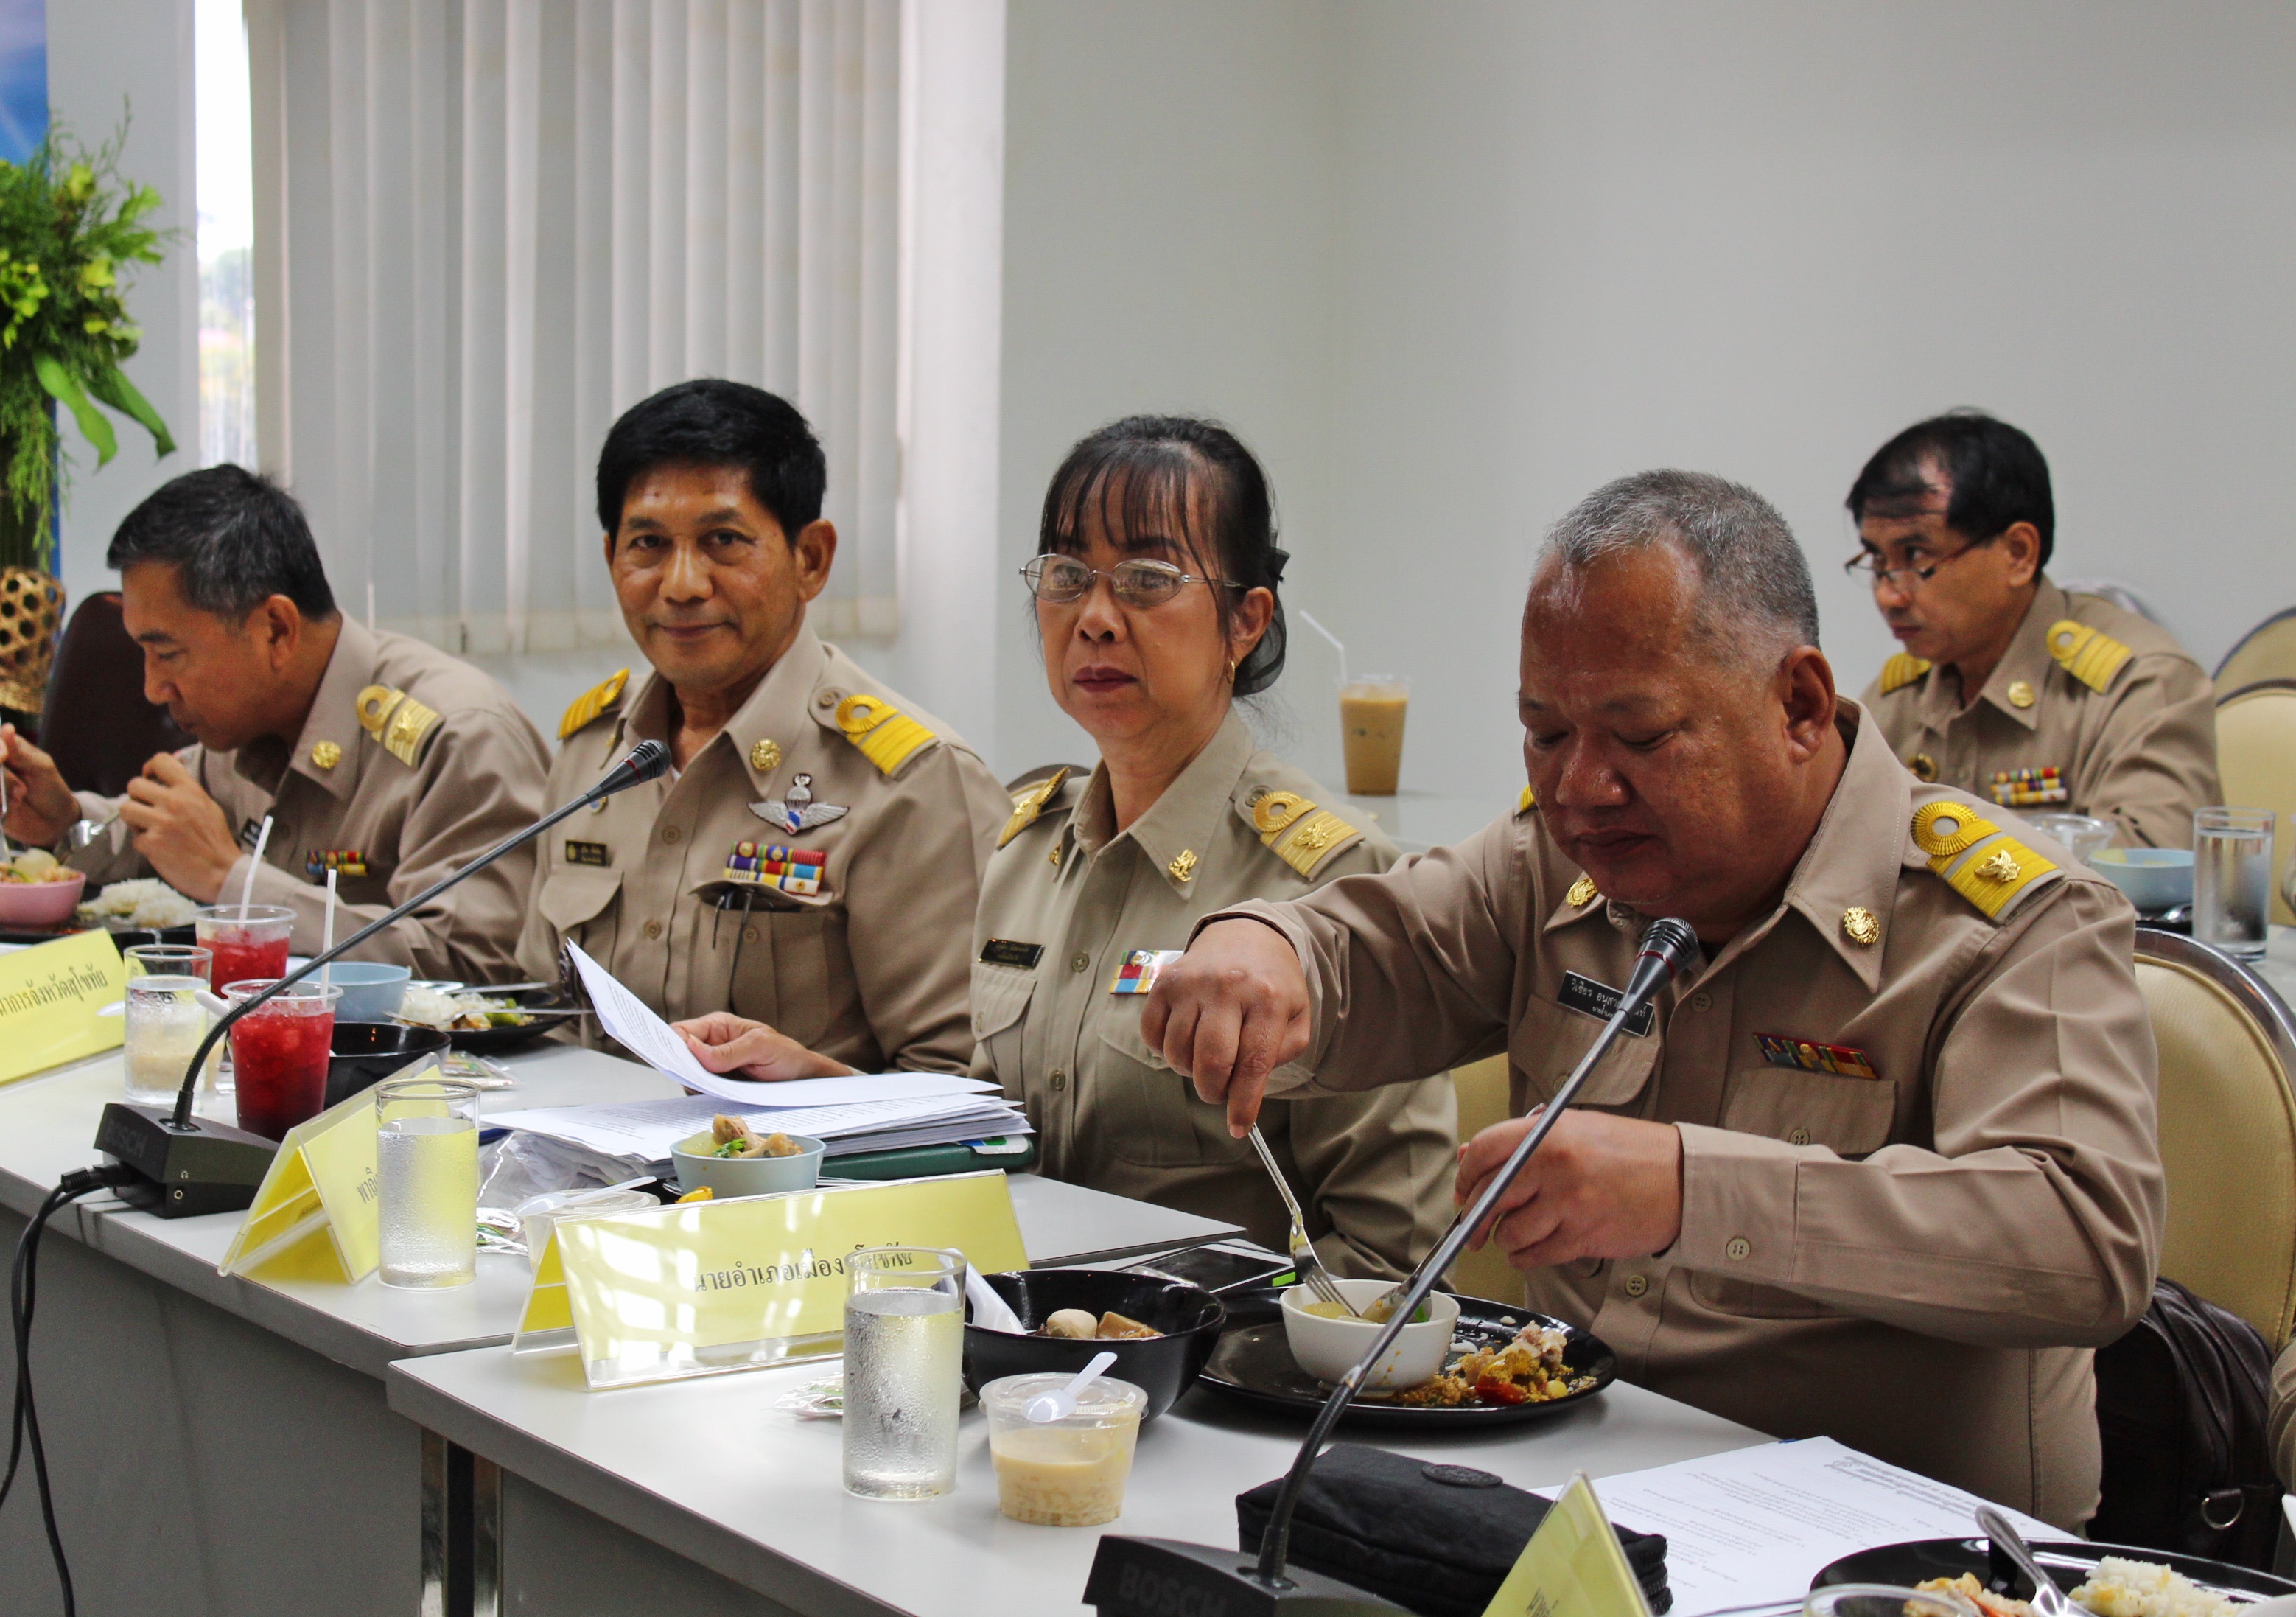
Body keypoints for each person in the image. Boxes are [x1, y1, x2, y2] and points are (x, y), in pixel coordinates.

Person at [1141, 469, 2163, 1527]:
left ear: (1800, 705)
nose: (1581, 785)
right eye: (1544, 732)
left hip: (1890, 1550)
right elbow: (1378, 949)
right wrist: (1265, 944)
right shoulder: (1561, 862)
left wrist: (1691, 1193)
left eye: (1641, 736)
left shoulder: (2007, 923)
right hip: (1568, 1504)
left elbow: (2082, 1241)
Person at [678, 416, 1461, 1274]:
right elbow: (1004, 1143)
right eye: (1065, 576)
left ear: (1245, 621)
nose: (1093, 618)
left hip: (1210, 1369)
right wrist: (818, 1087)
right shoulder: (1029, 845)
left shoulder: (1326, 885)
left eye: (1147, 579)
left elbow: (1394, 1252)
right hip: (1026, 1348)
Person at [517, 379, 1009, 1074]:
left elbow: (969, 1092)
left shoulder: (911, 782)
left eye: (723, 541)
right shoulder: (592, 753)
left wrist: (806, 1084)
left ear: (811, 559)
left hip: (807, 1179)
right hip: (592, 1176)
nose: (682, 584)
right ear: (611, 559)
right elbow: (541, 1019)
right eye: (648, 544)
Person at [0, 465, 549, 983]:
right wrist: (64, 823)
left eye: (167, 654)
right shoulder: (239, 725)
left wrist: (235, 883)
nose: (151, 688)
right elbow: (159, 834)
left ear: (275, 629)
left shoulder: (459, 736)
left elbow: (477, 965)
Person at [1848, 410, 2219, 848]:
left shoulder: (2141, 684)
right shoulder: (1898, 698)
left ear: (2018, 554)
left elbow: (2147, 873)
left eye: (1914, 555)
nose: (1889, 595)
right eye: (1877, 561)